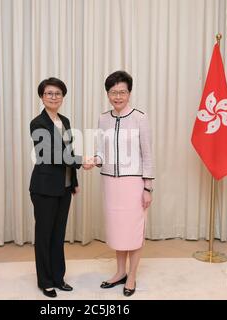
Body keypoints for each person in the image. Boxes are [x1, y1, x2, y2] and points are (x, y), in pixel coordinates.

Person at [92, 70, 155, 296]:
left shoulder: (140, 117)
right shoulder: (103, 118)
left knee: (134, 232)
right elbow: (101, 151)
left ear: (129, 93)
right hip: (111, 184)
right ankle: (119, 273)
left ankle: (132, 276)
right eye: (113, 92)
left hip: (134, 185)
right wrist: (94, 160)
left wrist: (147, 187)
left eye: (122, 92)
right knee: (118, 232)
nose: (117, 97)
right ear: (107, 94)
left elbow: (147, 155)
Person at [29, 77, 91, 298]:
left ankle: (58, 277)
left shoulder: (64, 120)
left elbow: (67, 151)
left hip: (64, 188)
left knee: (58, 235)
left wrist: (73, 182)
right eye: (49, 93)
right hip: (44, 188)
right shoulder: (37, 123)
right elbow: (52, 155)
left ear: (63, 97)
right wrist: (82, 160)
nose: (53, 97)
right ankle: (45, 281)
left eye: (57, 93)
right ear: (42, 97)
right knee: (44, 235)